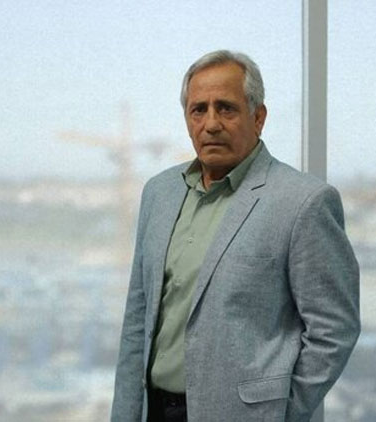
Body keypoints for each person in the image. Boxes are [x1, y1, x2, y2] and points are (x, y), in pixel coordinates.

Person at [111, 50, 360, 422]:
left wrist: (279, 412)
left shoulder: (303, 202)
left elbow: (334, 329)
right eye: (199, 110)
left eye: (226, 108)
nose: (211, 124)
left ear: (258, 117)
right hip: (154, 412)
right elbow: (137, 319)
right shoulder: (158, 193)